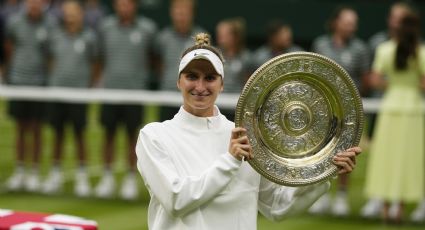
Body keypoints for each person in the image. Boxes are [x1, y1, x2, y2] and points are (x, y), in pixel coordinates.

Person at [135, 32, 362, 230]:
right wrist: (230, 161)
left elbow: (278, 206)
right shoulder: (153, 136)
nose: (200, 87)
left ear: (222, 84)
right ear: (179, 82)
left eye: (210, 78)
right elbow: (176, 201)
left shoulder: (245, 136)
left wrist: (322, 172)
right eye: (192, 77)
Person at [363, 12, 425, 224]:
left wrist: (396, 85)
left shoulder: (384, 49)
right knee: (407, 158)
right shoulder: (421, 52)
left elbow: (374, 79)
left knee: (387, 157)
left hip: (391, 105)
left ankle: (385, 209)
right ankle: (398, 209)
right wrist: (411, 85)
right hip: (413, 108)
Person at [309, 6, 370, 217]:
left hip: (349, 111)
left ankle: (341, 197)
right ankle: (321, 194)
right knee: (320, 151)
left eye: (353, 23)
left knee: (346, 153)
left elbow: (365, 79)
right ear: (336, 23)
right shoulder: (321, 44)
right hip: (323, 108)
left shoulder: (361, 48)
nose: (351, 27)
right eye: (347, 22)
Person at [95, 0, 157, 200]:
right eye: (121, 4)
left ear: (134, 6)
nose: (124, 8)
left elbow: (153, 58)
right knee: (109, 135)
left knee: (132, 137)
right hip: (110, 93)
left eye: (128, 4)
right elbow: (100, 57)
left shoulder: (148, 29)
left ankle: (130, 179)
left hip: (134, 93)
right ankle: (107, 177)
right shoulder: (105, 27)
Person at [41, 0, 99, 197]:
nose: (70, 16)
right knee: (57, 135)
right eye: (67, 13)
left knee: (79, 135)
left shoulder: (90, 37)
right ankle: (55, 175)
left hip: (79, 95)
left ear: (81, 15)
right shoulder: (55, 36)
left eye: (74, 13)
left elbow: (95, 64)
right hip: (57, 94)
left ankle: (82, 177)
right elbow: (50, 60)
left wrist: (86, 85)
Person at [4, 0, 56, 192]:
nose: (34, 5)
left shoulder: (50, 24)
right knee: (20, 128)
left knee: (36, 129)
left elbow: (51, 54)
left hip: (39, 84)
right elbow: (9, 47)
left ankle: (33, 173)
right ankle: (19, 171)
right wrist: (11, 72)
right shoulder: (15, 22)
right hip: (18, 82)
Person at [155, 0, 204, 122]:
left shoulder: (202, 38)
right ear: (172, 13)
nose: (181, 16)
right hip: (167, 96)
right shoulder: (163, 37)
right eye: (178, 12)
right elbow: (158, 64)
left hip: (193, 97)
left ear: (192, 14)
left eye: (185, 12)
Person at [215, 17, 251, 121]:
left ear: (235, 36)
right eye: (219, 34)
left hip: (236, 110)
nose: (220, 37)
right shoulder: (214, 55)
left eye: (224, 35)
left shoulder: (246, 57)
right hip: (217, 107)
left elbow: (248, 85)